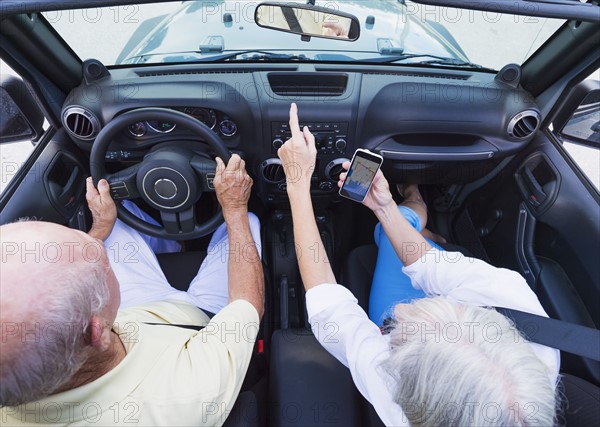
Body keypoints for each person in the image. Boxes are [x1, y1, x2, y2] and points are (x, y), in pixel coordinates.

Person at [277, 103, 559, 426]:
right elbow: (428, 267)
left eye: (399, 336)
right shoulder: (525, 317)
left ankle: (416, 212)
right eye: (454, 307)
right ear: (487, 314)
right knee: (397, 232)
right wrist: (384, 208)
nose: (399, 311)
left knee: (393, 235)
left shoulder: (394, 390)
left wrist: (297, 185)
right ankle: (417, 215)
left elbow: (329, 307)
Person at [0, 155, 264, 426]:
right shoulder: (184, 395)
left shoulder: (70, 348)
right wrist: (234, 208)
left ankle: (170, 247)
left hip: (131, 312)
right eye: (97, 265)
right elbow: (246, 303)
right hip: (203, 323)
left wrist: (100, 229)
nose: (97, 247)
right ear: (96, 331)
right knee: (250, 222)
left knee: (122, 220)